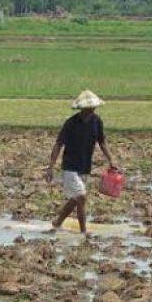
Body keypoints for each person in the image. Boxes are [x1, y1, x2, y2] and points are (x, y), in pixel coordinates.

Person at [46, 90, 117, 234]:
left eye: (93, 108)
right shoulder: (71, 123)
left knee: (76, 199)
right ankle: (83, 232)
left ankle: (58, 222)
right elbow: (59, 144)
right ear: (82, 109)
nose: (91, 110)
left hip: (85, 166)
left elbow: (102, 142)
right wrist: (50, 167)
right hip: (70, 166)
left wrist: (111, 159)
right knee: (82, 196)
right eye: (88, 108)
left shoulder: (97, 122)